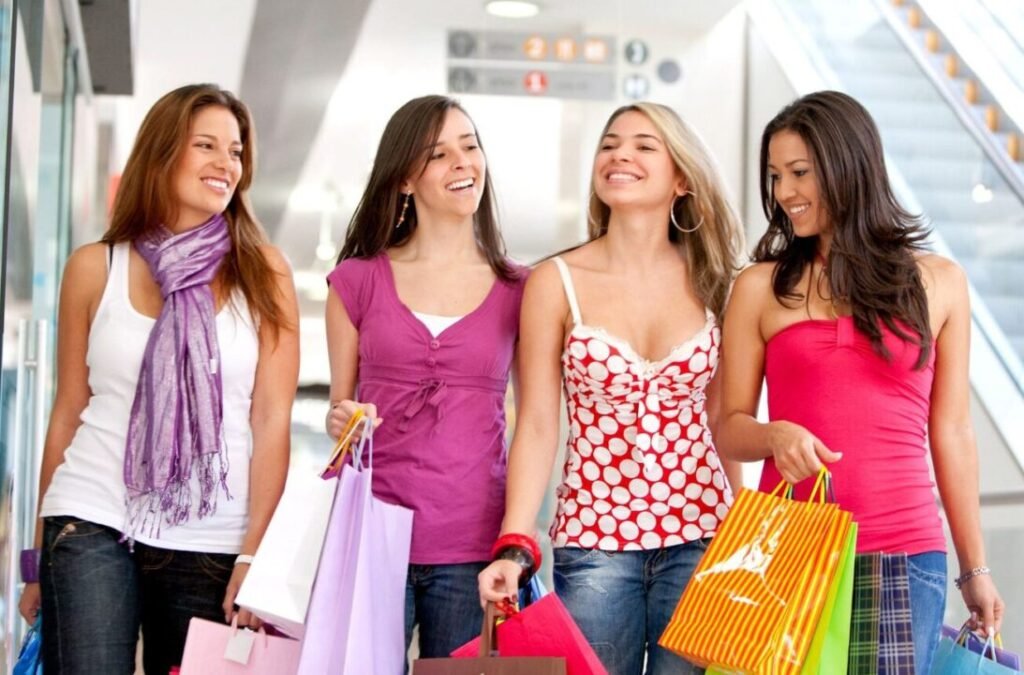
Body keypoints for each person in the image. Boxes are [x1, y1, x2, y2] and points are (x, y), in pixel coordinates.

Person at [716, 90, 1004, 674]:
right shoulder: (759, 287)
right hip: (785, 546)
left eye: (800, 172)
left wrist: (975, 568)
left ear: (850, 164)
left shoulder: (940, 282)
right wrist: (774, 436)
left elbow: (951, 432)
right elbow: (728, 428)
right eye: (774, 176)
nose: (784, 193)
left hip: (903, 547)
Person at [17, 83, 300, 674]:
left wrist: (256, 555)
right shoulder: (96, 266)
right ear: (163, 152)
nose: (227, 164)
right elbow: (69, 407)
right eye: (207, 146)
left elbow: (271, 420)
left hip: (213, 539)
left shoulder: (264, 273)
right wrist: (36, 557)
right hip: (93, 512)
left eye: (237, 151)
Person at [478, 102, 745, 675]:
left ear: (681, 178)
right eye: (609, 144)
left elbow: (726, 420)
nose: (620, 154)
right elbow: (538, 425)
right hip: (595, 541)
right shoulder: (555, 281)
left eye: (645, 145)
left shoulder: (716, 282)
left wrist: (741, 534)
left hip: (704, 540)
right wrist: (513, 540)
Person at [324, 94, 527, 659]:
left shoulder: (520, 289)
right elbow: (338, 411)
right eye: (439, 154)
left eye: (470, 146)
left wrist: (516, 543)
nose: (463, 162)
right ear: (406, 180)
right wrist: (341, 417)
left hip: (472, 544)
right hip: (370, 537)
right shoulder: (356, 282)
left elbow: (536, 424)